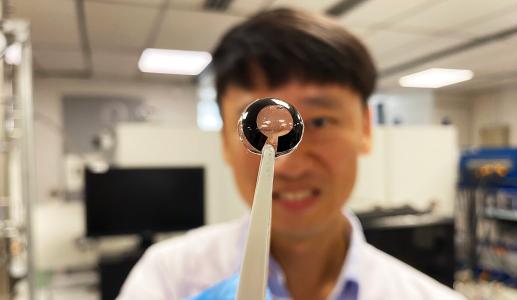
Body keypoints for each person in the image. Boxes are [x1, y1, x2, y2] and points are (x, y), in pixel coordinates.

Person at [118, 8, 466, 300]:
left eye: (319, 120)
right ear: (224, 139)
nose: (287, 164)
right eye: (254, 129)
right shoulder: (165, 279)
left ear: (364, 128)